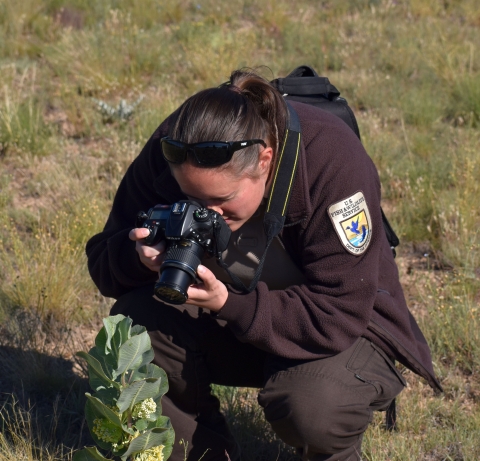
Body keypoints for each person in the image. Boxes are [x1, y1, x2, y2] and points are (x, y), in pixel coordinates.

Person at [86, 69, 442, 461]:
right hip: (241, 318)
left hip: (344, 331)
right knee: (132, 337)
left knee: (313, 406)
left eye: (223, 200)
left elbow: (340, 313)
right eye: (193, 199)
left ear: (266, 160)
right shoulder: (175, 146)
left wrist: (229, 304)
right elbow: (103, 262)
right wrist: (138, 258)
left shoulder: (331, 161)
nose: (210, 214)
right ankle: (197, 454)